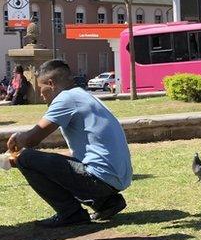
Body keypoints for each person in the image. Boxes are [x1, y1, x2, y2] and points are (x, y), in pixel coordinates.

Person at [5, 60, 131, 227]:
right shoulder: (82, 95)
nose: (41, 94)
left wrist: (16, 139)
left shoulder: (66, 98)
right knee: (37, 160)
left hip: (100, 178)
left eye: (41, 88)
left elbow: (31, 140)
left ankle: (70, 213)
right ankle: (107, 202)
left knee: (26, 158)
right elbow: (76, 157)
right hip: (114, 178)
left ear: (51, 84)